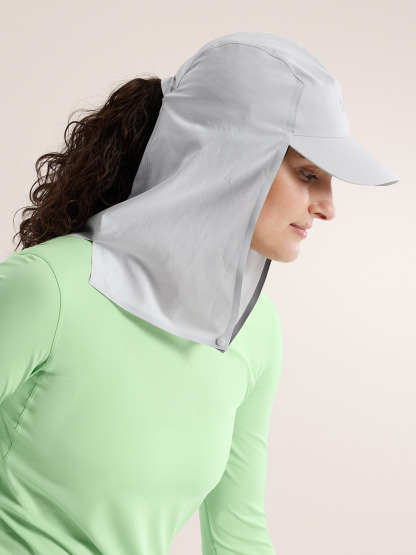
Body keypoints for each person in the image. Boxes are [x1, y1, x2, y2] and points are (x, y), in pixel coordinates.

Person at [0, 32, 398, 554]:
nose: (327, 207)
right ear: (230, 160)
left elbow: (237, 534)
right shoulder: (49, 287)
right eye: (308, 174)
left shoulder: (253, 328)